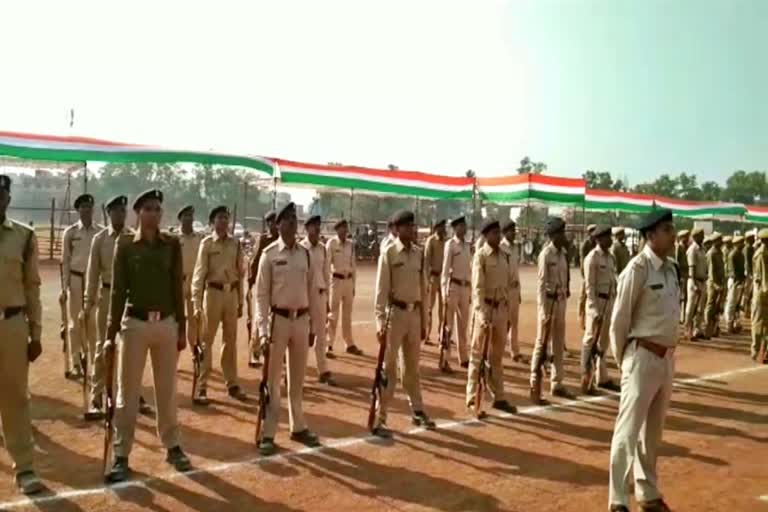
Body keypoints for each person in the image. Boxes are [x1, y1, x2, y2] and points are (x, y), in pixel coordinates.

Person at [106, 189, 191, 482]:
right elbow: (118, 291)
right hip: (135, 325)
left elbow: (177, 289)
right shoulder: (126, 245)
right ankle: (121, 454)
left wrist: (182, 326)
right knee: (127, 394)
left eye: (158, 209)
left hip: (166, 323)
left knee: (166, 391)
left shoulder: (172, 245)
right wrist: (110, 331)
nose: (155, 214)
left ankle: (173, 445)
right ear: (138, 213)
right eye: (149, 209)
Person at [608, 208, 678, 512]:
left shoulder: (671, 269)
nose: (672, 234)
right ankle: (617, 500)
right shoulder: (638, 269)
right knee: (627, 431)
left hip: (665, 359)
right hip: (641, 356)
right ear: (650, 236)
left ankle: (647, 492)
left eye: (671, 229)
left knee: (652, 433)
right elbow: (619, 320)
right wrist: (624, 359)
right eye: (666, 230)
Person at [254, 202, 321, 455]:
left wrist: (315, 324)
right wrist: (261, 330)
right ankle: (269, 432)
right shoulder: (269, 255)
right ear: (278, 225)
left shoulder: (305, 255)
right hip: (277, 322)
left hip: (301, 321)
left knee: (298, 377)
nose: (293, 223)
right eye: (287, 219)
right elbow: (260, 296)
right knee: (272, 380)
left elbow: (313, 292)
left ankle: (298, 425)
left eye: (295, 219)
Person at [372, 210, 436, 438]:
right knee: (388, 370)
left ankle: (417, 410)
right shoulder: (388, 254)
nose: (412, 229)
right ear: (397, 229)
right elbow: (380, 293)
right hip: (394, 316)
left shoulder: (419, 254)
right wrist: (379, 323)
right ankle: (380, 417)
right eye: (407, 226)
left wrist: (424, 323)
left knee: (412, 369)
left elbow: (423, 290)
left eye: (413, 225)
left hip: (414, 314)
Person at [0, 175, 44, 494]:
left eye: (1, 194)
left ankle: (25, 467)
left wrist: (36, 333)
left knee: (15, 396)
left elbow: (32, 288)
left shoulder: (25, 237)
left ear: (8, 199)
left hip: (12, 324)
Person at [191, 206, 246, 405]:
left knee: (230, 341)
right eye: (219, 218)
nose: (223, 221)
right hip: (212, 295)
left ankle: (232, 383)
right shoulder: (206, 244)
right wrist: (196, 303)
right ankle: (202, 386)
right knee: (206, 341)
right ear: (212, 222)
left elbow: (240, 274)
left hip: (230, 294)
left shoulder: (236, 244)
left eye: (226, 218)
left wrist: (240, 301)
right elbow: (199, 275)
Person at [84, 195, 132, 419]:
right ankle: (96, 396)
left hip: (130, 300)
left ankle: (130, 395)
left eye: (123, 211)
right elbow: (92, 273)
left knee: (130, 349)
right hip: (106, 295)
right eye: (116, 211)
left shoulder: (133, 238)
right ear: (109, 213)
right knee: (102, 347)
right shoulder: (100, 239)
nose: (120, 215)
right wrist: (88, 302)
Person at [465, 219, 518, 416]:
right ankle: (472, 397)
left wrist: (509, 313)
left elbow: (509, 285)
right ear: (485, 236)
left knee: (496, 357)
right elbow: (477, 289)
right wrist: (481, 316)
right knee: (477, 354)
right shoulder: (480, 257)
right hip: (486, 310)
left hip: (501, 311)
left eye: (498, 233)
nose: (498, 236)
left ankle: (499, 397)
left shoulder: (505, 256)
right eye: (494, 233)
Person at [529, 217, 573, 404]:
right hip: (548, 303)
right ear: (553, 235)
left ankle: (557, 383)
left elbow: (566, 279)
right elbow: (540, 284)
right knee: (541, 343)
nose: (564, 235)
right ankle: (534, 384)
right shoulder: (545, 255)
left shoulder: (563, 254)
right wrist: (542, 311)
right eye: (561, 232)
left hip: (560, 302)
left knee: (558, 344)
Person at [61, 193, 100, 379]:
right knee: (75, 323)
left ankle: (93, 362)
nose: (86, 210)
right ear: (78, 210)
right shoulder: (70, 233)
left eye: (89, 206)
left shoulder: (99, 233)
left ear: (93, 209)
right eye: (83, 206)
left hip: (93, 282)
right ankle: (76, 362)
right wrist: (64, 287)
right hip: (76, 281)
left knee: (92, 322)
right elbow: (65, 261)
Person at [580, 225, 620, 395]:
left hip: (609, 302)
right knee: (590, 341)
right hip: (597, 304)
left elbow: (614, 281)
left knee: (603, 343)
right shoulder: (592, 258)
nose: (610, 240)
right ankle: (586, 377)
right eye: (606, 237)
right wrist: (594, 311)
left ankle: (601, 378)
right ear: (598, 239)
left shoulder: (610, 258)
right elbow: (589, 287)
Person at [299, 215, 335, 385]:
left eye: (319, 226)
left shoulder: (322, 248)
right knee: (304, 336)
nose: (317, 229)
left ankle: (323, 370)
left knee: (321, 334)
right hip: (305, 296)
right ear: (307, 229)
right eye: (314, 226)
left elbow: (326, 273)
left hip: (320, 295)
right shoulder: (300, 248)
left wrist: (327, 298)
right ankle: (299, 371)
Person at [326, 219, 362, 356]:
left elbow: (354, 266)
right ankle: (328, 344)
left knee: (347, 315)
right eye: (343, 228)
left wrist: (354, 285)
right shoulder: (332, 243)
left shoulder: (350, 245)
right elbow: (327, 264)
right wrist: (329, 282)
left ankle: (349, 343)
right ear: (337, 230)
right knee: (333, 314)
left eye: (346, 228)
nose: (345, 231)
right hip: (336, 280)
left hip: (348, 281)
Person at [441, 215, 472, 370]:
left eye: (465, 226)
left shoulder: (467, 245)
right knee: (448, 325)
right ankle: (445, 358)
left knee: (463, 325)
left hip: (465, 287)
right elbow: (445, 270)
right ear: (455, 228)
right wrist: (444, 290)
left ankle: (463, 357)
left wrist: (471, 291)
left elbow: (469, 269)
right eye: (462, 226)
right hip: (453, 287)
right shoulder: (450, 245)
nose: (464, 229)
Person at [247, 210, 278, 367]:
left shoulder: (282, 240)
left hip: (278, 286)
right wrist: (250, 283)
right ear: (267, 224)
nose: (273, 225)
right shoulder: (263, 239)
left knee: (276, 320)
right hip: (263, 284)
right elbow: (254, 260)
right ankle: (255, 352)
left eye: (275, 222)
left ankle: (274, 352)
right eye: (270, 222)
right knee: (260, 319)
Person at [177, 205, 204, 360]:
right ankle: (175, 354)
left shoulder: (199, 239)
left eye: (190, 216)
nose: (188, 219)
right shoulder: (174, 238)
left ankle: (195, 349)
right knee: (177, 319)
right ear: (180, 219)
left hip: (195, 282)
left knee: (195, 319)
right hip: (179, 282)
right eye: (185, 216)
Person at [500, 219, 527, 363]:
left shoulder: (515, 248)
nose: (514, 233)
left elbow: (516, 270)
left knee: (514, 322)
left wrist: (520, 291)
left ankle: (514, 351)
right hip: (505, 289)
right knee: (505, 322)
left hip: (515, 289)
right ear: (505, 233)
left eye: (514, 230)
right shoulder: (501, 247)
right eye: (511, 231)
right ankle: (500, 347)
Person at [423, 219, 447, 346]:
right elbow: (426, 262)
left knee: (443, 308)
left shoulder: (446, 242)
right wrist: (426, 281)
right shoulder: (431, 241)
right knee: (429, 308)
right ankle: (427, 334)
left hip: (443, 278)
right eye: (442, 227)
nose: (444, 229)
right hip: (433, 277)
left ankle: (441, 335)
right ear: (436, 228)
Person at [685, 227, 707, 340]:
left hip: (702, 281)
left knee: (700, 308)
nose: (703, 237)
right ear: (695, 237)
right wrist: (694, 284)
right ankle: (688, 330)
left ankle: (697, 330)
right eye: (701, 235)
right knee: (691, 307)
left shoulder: (702, 248)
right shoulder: (692, 250)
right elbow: (691, 267)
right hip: (694, 280)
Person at [751, 229, 768, 361]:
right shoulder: (762, 254)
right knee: (758, 322)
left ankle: (765, 351)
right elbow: (764, 278)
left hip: (764, 290)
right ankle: (756, 350)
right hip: (762, 291)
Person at [704, 232, 725, 338]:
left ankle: (715, 327)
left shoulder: (719, 252)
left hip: (720, 283)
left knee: (717, 307)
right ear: (715, 241)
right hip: (713, 283)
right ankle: (708, 326)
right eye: (719, 240)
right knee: (711, 304)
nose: (721, 242)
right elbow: (711, 272)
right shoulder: (711, 253)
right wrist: (716, 285)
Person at [578, 224, 597, 330]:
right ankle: (581, 318)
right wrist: (584, 275)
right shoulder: (585, 244)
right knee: (583, 297)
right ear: (590, 232)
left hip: (595, 273)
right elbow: (582, 260)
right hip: (586, 273)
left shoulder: (596, 243)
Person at [725, 235, 746, 333]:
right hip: (734, 281)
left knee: (736, 304)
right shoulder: (732, 255)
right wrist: (737, 281)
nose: (742, 244)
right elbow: (732, 270)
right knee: (731, 303)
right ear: (736, 244)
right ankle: (729, 324)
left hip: (739, 281)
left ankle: (734, 323)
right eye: (740, 242)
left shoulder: (741, 254)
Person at [675, 230, 690, 324]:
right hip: (680, 276)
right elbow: (676, 262)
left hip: (686, 275)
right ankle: (678, 317)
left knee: (685, 297)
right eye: (685, 237)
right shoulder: (678, 247)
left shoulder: (686, 247)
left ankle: (683, 317)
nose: (687, 239)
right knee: (679, 298)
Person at [742, 231, 756, 318]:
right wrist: (751, 273)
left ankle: (747, 310)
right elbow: (748, 262)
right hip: (748, 273)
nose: (754, 240)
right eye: (752, 239)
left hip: (750, 272)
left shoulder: (751, 248)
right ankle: (746, 311)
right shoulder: (747, 249)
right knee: (748, 292)